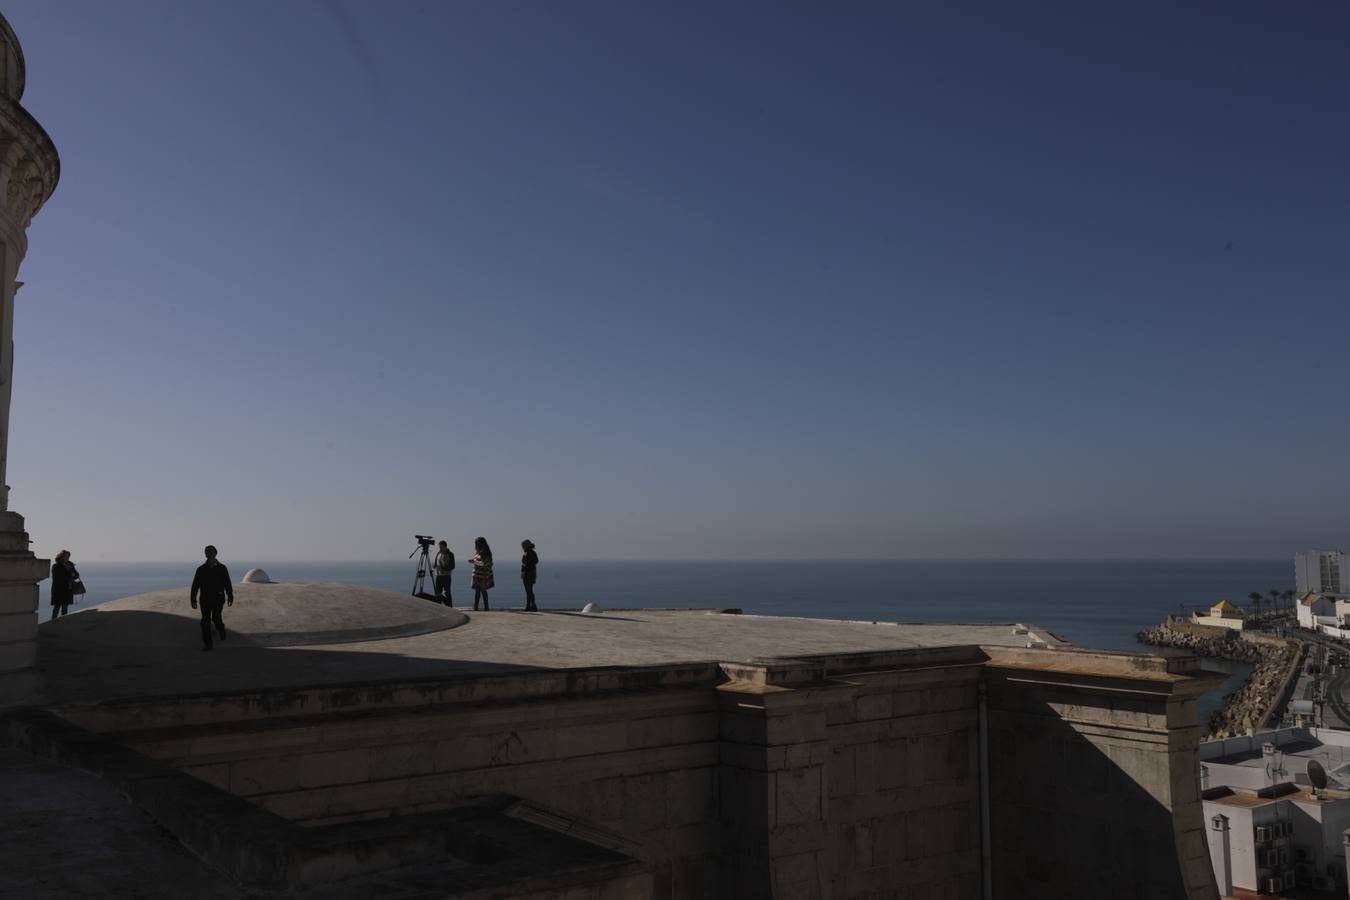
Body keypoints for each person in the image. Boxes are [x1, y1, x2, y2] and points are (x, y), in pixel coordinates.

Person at [190, 545, 234, 651]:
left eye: (210, 552)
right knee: (205, 621)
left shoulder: (222, 568)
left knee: (216, 617)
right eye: (206, 552)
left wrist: (230, 596)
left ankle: (221, 629)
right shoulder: (201, 569)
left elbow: (227, 583)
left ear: (215, 553)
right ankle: (208, 645)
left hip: (218, 598)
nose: (208, 554)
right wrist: (193, 598)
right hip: (205, 599)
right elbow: (195, 584)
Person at [49, 549, 77, 620]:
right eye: (66, 556)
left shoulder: (70, 565)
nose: (67, 558)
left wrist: (73, 575)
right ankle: (53, 623)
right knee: (57, 607)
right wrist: (70, 575)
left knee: (65, 607)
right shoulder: (56, 566)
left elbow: (76, 575)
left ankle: (63, 622)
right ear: (61, 557)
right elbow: (57, 578)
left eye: (68, 556)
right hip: (58, 590)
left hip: (67, 589)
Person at [470, 537, 494, 611]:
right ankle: (476, 607)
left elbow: (484, 564)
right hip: (478, 575)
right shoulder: (479, 552)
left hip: (483, 576)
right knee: (478, 591)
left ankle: (485, 607)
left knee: (482, 591)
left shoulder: (485, 553)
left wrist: (474, 562)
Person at [433, 540, 455, 606]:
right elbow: (435, 563)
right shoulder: (438, 553)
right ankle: (438, 606)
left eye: (441, 547)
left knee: (447, 593)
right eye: (439, 547)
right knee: (437, 593)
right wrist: (434, 566)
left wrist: (442, 568)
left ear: (445, 547)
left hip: (446, 576)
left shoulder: (450, 554)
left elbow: (452, 566)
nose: (440, 549)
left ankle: (450, 607)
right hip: (438, 575)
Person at [520, 540, 539, 611]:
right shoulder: (533, 553)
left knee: (528, 590)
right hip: (532, 572)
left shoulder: (526, 553)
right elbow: (536, 561)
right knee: (529, 590)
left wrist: (523, 572)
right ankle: (529, 606)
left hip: (527, 573)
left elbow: (524, 564)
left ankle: (532, 606)